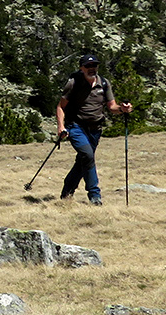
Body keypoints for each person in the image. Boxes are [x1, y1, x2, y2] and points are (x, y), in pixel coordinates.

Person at [55, 53, 132, 205]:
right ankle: (94, 195)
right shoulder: (73, 83)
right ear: (81, 68)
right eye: (88, 66)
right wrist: (61, 126)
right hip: (76, 126)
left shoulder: (103, 83)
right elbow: (60, 106)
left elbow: (112, 107)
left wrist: (122, 109)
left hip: (95, 129)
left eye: (94, 65)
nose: (92, 69)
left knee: (83, 160)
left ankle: (67, 191)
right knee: (87, 155)